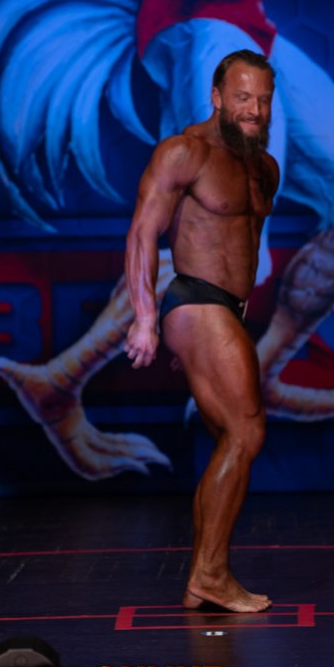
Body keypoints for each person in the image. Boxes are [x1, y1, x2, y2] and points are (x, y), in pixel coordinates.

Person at [124, 49, 279, 613]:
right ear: (216, 97)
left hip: (222, 313)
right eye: (242, 98)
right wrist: (145, 318)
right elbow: (143, 233)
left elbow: (243, 249)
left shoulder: (264, 168)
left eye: (263, 100)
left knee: (233, 439)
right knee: (247, 431)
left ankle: (205, 575)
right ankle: (210, 575)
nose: (253, 110)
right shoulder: (185, 152)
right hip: (193, 298)